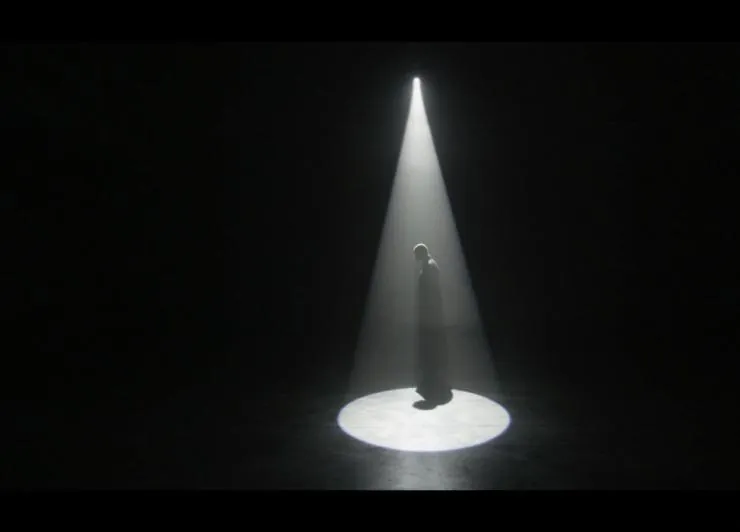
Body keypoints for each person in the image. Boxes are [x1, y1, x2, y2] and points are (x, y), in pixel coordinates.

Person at [413, 243, 452, 406]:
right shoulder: (430, 265)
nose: (415, 258)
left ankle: (432, 378)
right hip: (431, 314)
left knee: (430, 346)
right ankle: (432, 378)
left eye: (416, 254)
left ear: (421, 253)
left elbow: (430, 292)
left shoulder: (429, 267)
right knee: (431, 346)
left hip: (430, 315)